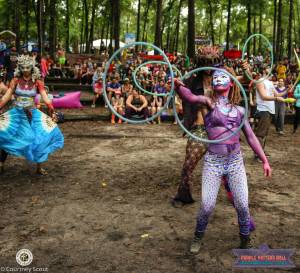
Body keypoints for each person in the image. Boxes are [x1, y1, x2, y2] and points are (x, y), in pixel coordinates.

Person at [174, 68, 271, 252]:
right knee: (207, 205)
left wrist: (264, 160)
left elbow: (251, 137)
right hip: (213, 161)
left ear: (231, 83)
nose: (218, 78)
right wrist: (178, 86)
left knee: (242, 205)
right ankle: (198, 236)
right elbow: (190, 97)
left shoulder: (240, 110)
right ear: (212, 83)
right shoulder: (208, 103)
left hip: (235, 161)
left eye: (223, 76)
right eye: (216, 76)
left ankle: (245, 239)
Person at [0, 55, 64, 175]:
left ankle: (39, 167)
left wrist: (52, 109)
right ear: (19, 67)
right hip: (17, 113)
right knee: (6, 134)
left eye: (27, 67)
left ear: (32, 67)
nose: (25, 70)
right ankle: (1, 164)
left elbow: (45, 97)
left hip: (32, 113)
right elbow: (7, 95)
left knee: (40, 137)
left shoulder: (37, 82)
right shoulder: (15, 80)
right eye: (22, 67)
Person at [254, 68, 285, 155]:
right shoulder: (260, 81)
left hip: (270, 110)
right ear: (264, 71)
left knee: (265, 133)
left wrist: (287, 90)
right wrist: (276, 98)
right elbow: (263, 96)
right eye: (268, 70)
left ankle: (262, 151)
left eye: (271, 71)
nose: (271, 72)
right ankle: (258, 153)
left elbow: (277, 94)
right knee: (260, 133)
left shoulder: (270, 83)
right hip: (263, 110)